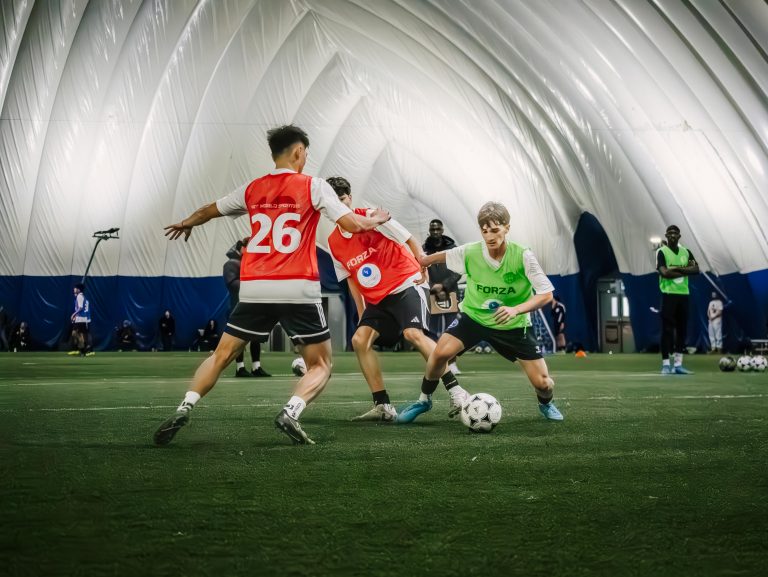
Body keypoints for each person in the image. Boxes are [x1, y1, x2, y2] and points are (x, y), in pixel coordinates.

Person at [153, 124, 390, 446]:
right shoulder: (314, 186)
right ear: (298, 152)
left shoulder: (252, 188)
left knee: (221, 355)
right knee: (321, 364)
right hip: (297, 286)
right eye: (305, 153)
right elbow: (354, 224)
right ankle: (291, 411)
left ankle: (185, 405)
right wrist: (376, 219)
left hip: (255, 286)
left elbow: (208, 210)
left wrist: (186, 223)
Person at [398, 201, 564, 423]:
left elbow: (546, 295)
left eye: (495, 230)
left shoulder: (523, 256)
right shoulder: (470, 251)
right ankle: (424, 400)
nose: (489, 236)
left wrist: (515, 309)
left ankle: (546, 404)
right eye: (485, 231)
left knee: (543, 383)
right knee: (438, 355)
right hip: (473, 319)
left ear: (507, 228)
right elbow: (435, 257)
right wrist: (423, 263)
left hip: (512, 326)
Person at [324, 177, 468, 421]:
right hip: (379, 298)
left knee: (413, 334)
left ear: (350, 198)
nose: (339, 205)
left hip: (406, 282)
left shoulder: (372, 216)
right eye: (333, 202)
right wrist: (361, 313)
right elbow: (351, 279)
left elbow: (408, 237)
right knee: (359, 340)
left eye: (342, 199)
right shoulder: (333, 243)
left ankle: (457, 391)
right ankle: (383, 405)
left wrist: (422, 263)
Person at [223, 238, 271, 377]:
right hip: (238, 306)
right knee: (239, 339)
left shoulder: (249, 264)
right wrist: (253, 284)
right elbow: (231, 283)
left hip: (253, 304)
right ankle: (240, 368)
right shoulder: (231, 264)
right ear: (242, 248)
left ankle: (256, 367)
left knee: (256, 337)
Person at [656, 224, 699, 374]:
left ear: (679, 236)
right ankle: (666, 364)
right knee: (667, 330)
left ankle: (678, 365)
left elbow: (696, 269)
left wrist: (676, 269)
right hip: (668, 294)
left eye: (675, 233)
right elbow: (664, 273)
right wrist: (685, 270)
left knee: (682, 330)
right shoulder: (662, 252)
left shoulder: (686, 252)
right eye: (670, 233)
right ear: (666, 236)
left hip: (683, 294)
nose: (673, 235)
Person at [422, 218, 462, 374]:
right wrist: (432, 286)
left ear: (442, 230)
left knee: (452, 329)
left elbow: (459, 269)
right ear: (429, 231)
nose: (435, 232)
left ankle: (452, 363)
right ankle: (434, 362)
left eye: (438, 229)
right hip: (431, 292)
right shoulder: (423, 249)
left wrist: (444, 285)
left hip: (450, 292)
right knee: (431, 329)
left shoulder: (453, 248)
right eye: (433, 229)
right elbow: (420, 268)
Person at [68, 283, 94, 357]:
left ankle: (83, 349)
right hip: (80, 319)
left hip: (81, 319)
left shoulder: (79, 296)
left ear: (78, 290)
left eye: (75, 288)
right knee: (78, 334)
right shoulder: (81, 296)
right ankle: (83, 349)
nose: (74, 289)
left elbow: (80, 308)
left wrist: (73, 314)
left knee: (76, 334)